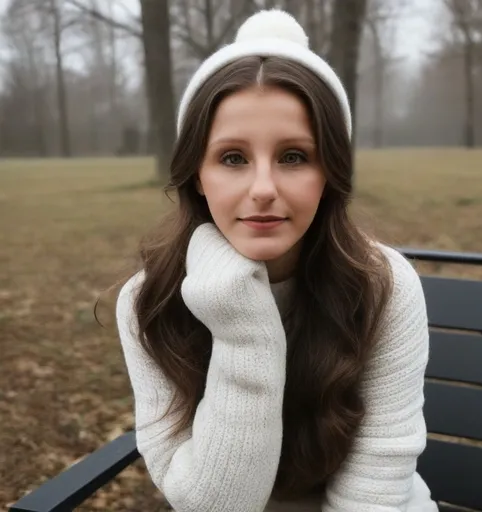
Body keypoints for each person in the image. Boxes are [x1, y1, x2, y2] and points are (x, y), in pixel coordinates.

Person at [116, 8, 438, 512]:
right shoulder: (148, 301)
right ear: (196, 175)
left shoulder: (385, 285)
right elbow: (214, 505)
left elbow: (376, 490)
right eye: (232, 158)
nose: (263, 189)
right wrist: (244, 329)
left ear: (328, 171)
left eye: (293, 157)